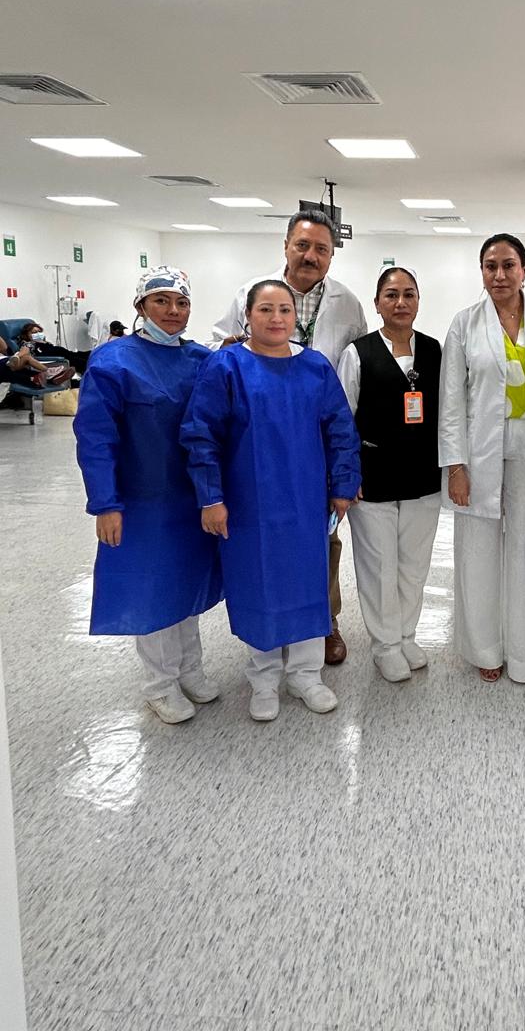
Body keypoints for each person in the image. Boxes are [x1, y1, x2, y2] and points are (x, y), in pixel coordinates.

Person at [182, 280, 361, 722]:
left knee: (308, 585)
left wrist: (343, 486)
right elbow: (202, 435)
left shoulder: (315, 367)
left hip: (305, 502)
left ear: (295, 317)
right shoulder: (227, 366)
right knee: (258, 585)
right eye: (266, 309)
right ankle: (263, 679)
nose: (276, 318)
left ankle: (305, 675)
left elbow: (340, 430)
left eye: (284, 309)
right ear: (248, 315)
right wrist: (211, 497)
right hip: (248, 505)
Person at [211, 209, 367, 666]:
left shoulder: (347, 303)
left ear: (332, 256)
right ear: (285, 246)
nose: (310, 256)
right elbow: (217, 348)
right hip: (260, 440)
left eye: (321, 249)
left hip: (318, 439)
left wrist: (347, 467)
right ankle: (270, 624)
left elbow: (356, 368)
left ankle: (324, 621)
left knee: (322, 537)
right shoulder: (251, 292)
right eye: (302, 245)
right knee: (263, 533)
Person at [73, 268, 222, 725]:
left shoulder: (200, 359)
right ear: (140, 306)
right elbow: (95, 438)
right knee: (152, 588)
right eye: (161, 301)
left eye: (182, 303)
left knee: (187, 584)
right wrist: (106, 504)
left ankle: (190, 670)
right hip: (141, 501)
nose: (173, 311)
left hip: (191, 496)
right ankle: (160, 684)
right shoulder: (114, 361)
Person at [439, 233, 525, 684]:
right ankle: (485, 650)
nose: (499, 275)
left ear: (524, 270)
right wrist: (456, 466)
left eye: (508, 265)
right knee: (477, 553)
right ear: (481, 272)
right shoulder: (465, 323)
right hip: (479, 451)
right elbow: (451, 400)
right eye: (490, 266)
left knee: (524, 554)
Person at [337, 268, 442, 682]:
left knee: (414, 566)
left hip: (422, 476)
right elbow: (343, 418)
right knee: (379, 566)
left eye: (409, 294)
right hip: (373, 477)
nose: (401, 302)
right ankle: (385, 645)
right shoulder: (357, 353)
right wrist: (347, 474)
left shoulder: (433, 350)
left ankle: (407, 635)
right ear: (377, 303)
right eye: (391, 295)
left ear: (418, 301)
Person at [16, 320, 89, 373]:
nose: (38, 334)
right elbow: (26, 355)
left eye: (39, 331)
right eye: (34, 332)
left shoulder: (42, 342)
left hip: (67, 354)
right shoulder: (29, 344)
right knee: (83, 362)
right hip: (57, 360)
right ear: (27, 335)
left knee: (88, 354)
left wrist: (44, 343)